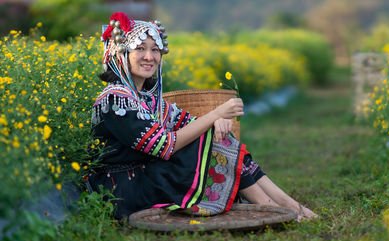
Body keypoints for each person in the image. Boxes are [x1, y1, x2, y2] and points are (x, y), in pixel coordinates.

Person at [88, 12, 317, 221]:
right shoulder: (115, 101)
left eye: (155, 49)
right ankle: (271, 206)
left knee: (217, 138)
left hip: (146, 177)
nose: (149, 56)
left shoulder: (148, 99)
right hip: (121, 189)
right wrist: (217, 113)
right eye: (140, 48)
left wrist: (218, 121)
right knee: (210, 142)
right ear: (120, 53)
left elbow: (192, 124)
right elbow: (163, 146)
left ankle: (285, 203)